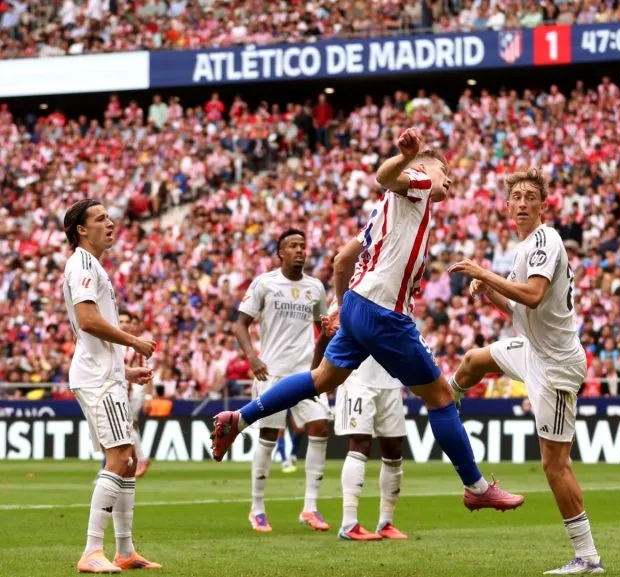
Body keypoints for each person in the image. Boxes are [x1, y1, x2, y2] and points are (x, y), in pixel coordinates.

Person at [210, 128, 523, 513]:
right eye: (445, 172)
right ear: (424, 169)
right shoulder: (417, 184)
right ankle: (476, 486)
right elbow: (386, 176)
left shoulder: (387, 213)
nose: (449, 181)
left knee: (321, 380)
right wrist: (407, 157)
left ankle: (237, 419)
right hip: (383, 313)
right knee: (441, 396)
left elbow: (342, 260)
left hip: (360, 304)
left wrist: (344, 309)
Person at [447, 169, 604, 575]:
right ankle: (445, 403)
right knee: (473, 360)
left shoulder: (545, 240)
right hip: (534, 349)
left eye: (529, 196)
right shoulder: (523, 249)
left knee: (555, 465)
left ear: (542, 204)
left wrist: (484, 274)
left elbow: (533, 296)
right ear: (506, 204)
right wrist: (491, 292)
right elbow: (520, 310)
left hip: (555, 365)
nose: (521, 202)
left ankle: (587, 557)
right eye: (515, 196)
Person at [62, 199, 161, 572]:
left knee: (129, 461)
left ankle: (124, 551)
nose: (110, 222)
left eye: (109, 216)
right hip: (96, 380)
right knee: (118, 459)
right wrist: (132, 341)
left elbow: (89, 331)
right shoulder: (83, 264)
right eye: (100, 218)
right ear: (81, 230)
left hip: (107, 376)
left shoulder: (94, 265)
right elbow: (87, 320)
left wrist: (125, 372)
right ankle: (91, 552)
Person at [233, 228, 331, 533]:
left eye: (303, 245)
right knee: (269, 436)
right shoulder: (265, 283)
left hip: (305, 374)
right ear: (281, 252)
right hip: (271, 372)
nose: (300, 250)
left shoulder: (316, 288)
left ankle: (311, 507)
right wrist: (252, 357)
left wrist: (320, 367)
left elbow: (323, 332)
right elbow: (240, 324)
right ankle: (257, 508)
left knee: (319, 426)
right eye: (293, 246)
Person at [323, 298, 408, 541]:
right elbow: (333, 331)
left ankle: (386, 522)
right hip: (358, 378)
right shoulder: (349, 293)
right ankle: (349, 524)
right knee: (360, 444)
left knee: (394, 449)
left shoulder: (400, 294)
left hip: (389, 380)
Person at [119, 311, 152, 478]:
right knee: (131, 425)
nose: (124, 324)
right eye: (121, 321)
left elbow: (148, 370)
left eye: (127, 321)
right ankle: (134, 457)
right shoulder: (117, 341)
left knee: (127, 425)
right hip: (122, 389)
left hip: (135, 389)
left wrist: (148, 396)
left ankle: (140, 458)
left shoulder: (138, 344)